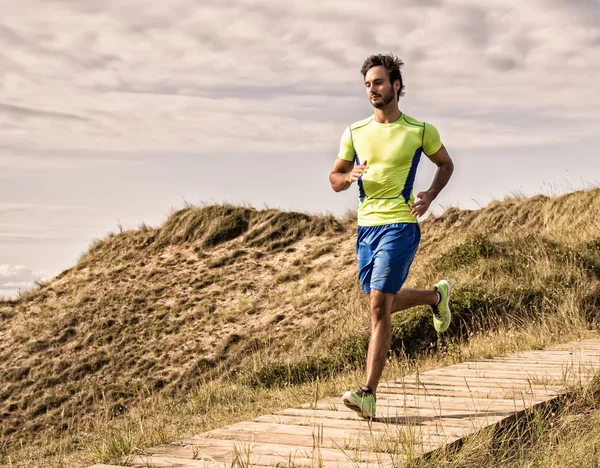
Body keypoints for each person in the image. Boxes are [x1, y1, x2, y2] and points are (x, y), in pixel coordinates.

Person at [329, 53, 454, 420]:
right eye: (368, 84)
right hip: (366, 228)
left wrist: (430, 195)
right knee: (378, 304)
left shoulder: (419, 130)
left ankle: (368, 393)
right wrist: (348, 176)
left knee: (378, 307)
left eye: (379, 82)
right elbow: (334, 178)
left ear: (396, 85)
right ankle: (435, 296)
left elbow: (446, 164)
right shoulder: (354, 132)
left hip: (401, 224)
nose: (372, 90)